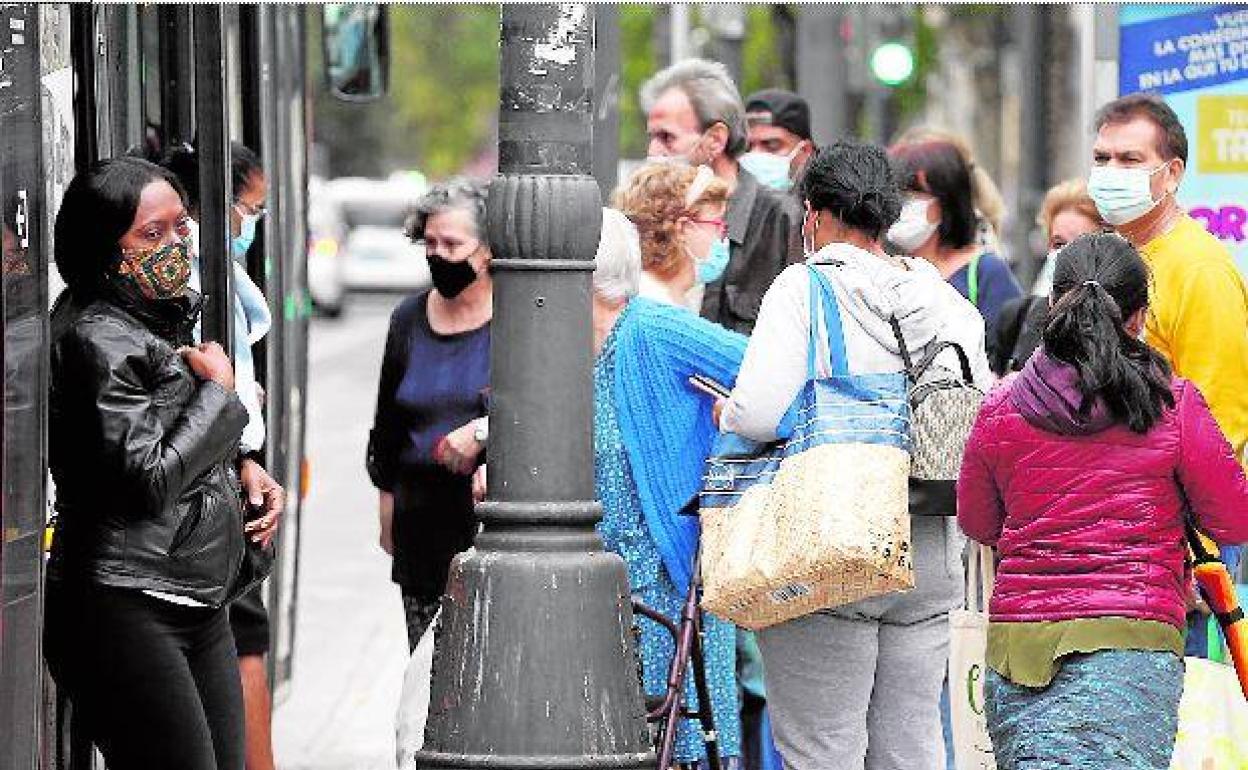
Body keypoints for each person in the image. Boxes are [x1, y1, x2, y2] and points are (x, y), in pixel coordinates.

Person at [719, 140, 990, 770]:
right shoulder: (942, 297)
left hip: (832, 545)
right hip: (929, 547)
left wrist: (728, 412)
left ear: (812, 214)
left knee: (824, 749)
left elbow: (757, 412)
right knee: (911, 746)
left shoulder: (805, 289)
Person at [957, 232, 1248, 770]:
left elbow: (978, 521)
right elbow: (1232, 518)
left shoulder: (1001, 407)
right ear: (1139, 317)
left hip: (1021, 656)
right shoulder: (1173, 403)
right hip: (1134, 648)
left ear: (1054, 306)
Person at [44, 157, 280, 770]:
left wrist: (241, 466)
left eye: (180, 227)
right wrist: (219, 395)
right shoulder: (98, 337)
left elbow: (171, 444)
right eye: (152, 234)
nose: (176, 244)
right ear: (105, 249)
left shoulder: (153, 321)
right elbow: (147, 478)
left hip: (193, 600)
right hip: (124, 605)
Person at [1089, 93, 1248, 654]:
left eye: (1129, 160)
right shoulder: (1116, 257)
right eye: (1102, 159)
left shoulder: (1199, 271)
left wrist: (1196, 549)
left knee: (1187, 717)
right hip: (1124, 525)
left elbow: (1219, 424)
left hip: (1178, 534)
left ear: (1172, 173)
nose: (1110, 173)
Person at [591, 206, 746, 769]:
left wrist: (734, 424)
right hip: (596, 594)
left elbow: (764, 371)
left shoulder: (648, 329)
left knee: (675, 746)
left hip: (665, 586)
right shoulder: (562, 355)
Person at [161, 141, 282, 770]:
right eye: (250, 208)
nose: (250, 224)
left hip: (223, 478)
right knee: (243, 639)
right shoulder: (201, 274)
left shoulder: (216, 273)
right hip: (204, 502)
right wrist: (234, 405)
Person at [367, 178, 491, 651]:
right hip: (420, 526)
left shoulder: (516, 323)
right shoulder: (408, 318)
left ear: (488, 251)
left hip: (483, 527)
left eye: (453, 244)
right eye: (431, 242)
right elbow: (387, 426)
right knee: (426, 673)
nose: (438, 254)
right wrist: (387, 508)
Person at [640, 58, 802, 334]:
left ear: (715, 139)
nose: (654, 153)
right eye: (652, 137)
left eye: (667, 138)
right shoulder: (648, 220)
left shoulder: (783, 221)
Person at [888, 132, 1022, 342]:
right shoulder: (884, 270)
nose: (899, 205)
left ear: (946, 199)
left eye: (911, 195)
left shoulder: (985, 272)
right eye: (893, 194)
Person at [989, 180, 1106, 375]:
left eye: (1080, 244)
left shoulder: (1126, 324)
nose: (1066, 255)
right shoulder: (1017, 317)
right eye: (1058, 243)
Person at [612, 162, 731, 310]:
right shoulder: (655, 308)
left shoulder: (637, 294)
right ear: (682, 229)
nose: (722, 235)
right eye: (717, 223)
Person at [742, 88, 816, 192]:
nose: (755, 154)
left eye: (772, 145)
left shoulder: (830, 204)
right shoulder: (725, 204)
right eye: (746, 147)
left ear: (805, 151)